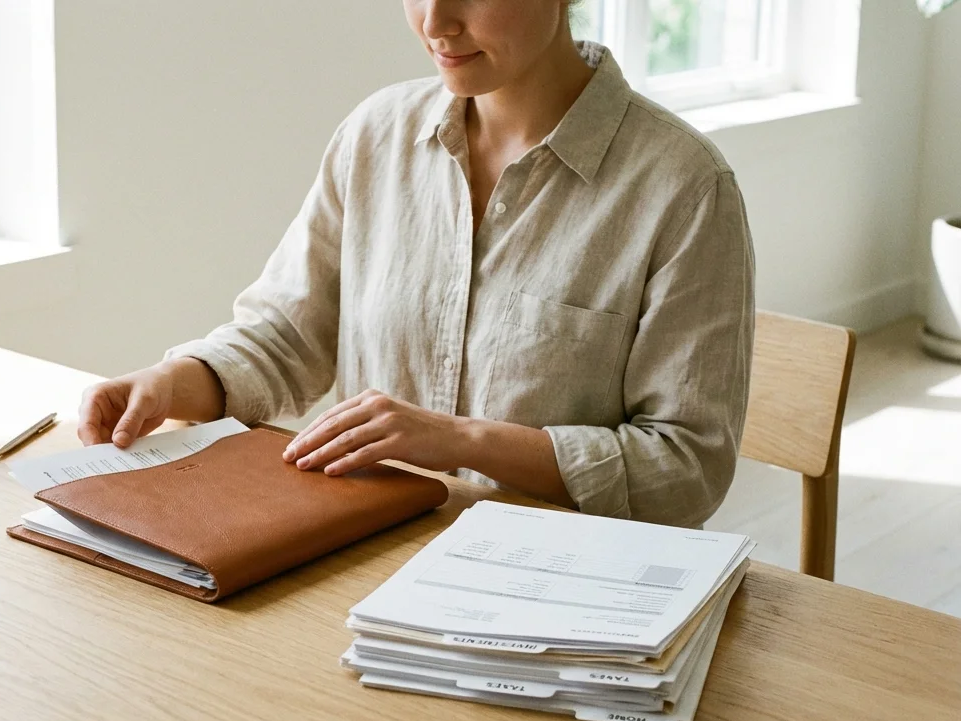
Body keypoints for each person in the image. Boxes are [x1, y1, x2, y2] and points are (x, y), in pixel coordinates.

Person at [78, 0, 755, 528]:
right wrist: (174, 381)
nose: (436, 23)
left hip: (565, 586)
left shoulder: (684, 187)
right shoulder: (377, 135)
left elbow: (687, 468)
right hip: (370, 548)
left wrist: (461, 440)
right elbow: (285, 338)